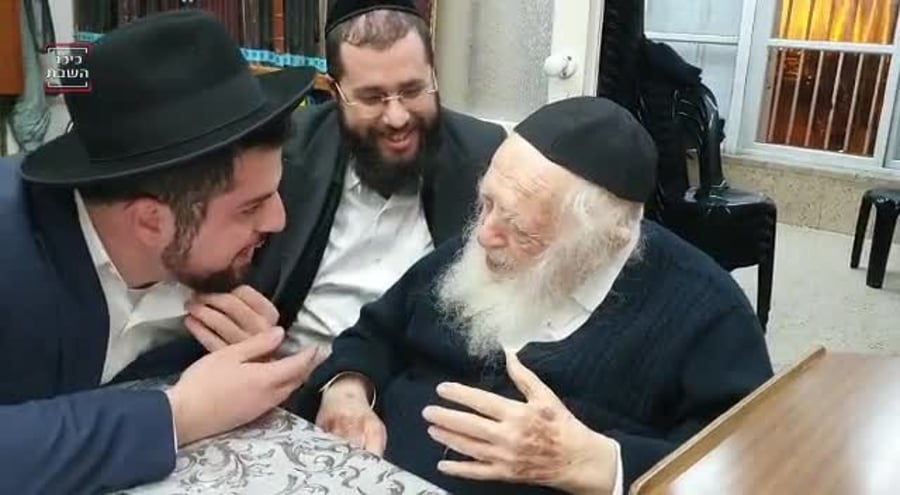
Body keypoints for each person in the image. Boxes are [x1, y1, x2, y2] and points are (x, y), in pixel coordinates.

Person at [293, 97, 775, 494]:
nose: (484, 235)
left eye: (520, 229)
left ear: (603, 240)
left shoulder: (706, 314)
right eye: (487, 203)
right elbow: (374, 333)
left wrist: (602, 463)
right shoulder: (483, 244)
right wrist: (348, 390)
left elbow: (747, 466)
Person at [0, 11, 321, 494]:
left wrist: (256, 370)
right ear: (150, 221)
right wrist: (179, 414)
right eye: (251, 207)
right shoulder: (12, 242)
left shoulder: (243, 250)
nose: (277, 221)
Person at [198, 0, 506, 353]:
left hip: (423, 379)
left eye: (412, 90)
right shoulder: (285, 151)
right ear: (335, 92)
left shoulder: (484, 155)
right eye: (373, 97)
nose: (397, 117)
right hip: (293, 373)